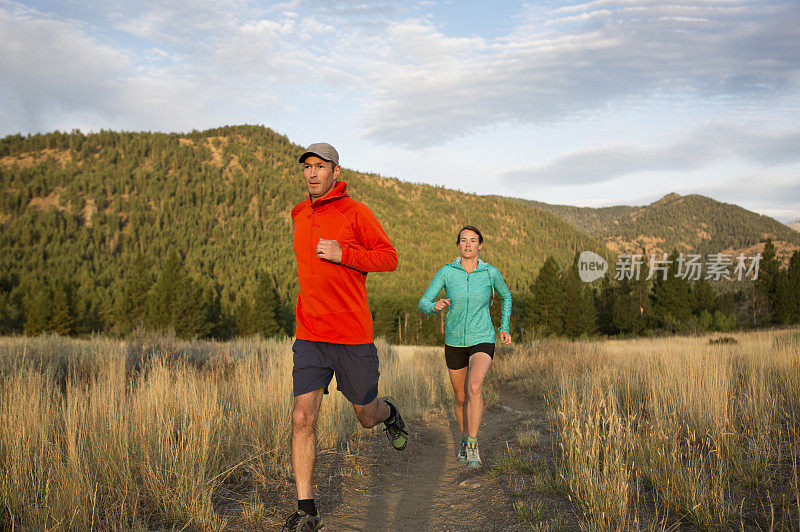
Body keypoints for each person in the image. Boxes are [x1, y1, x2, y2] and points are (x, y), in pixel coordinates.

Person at [283, 143, 408, 531]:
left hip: (352, 336)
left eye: (321, 166)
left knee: (366, 418)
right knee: (302, 417)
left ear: (336, 171)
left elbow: (389, 257)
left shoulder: (357, 212)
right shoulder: (298, 213)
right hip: (310, 334)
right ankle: (307, 510)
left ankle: (388, 412)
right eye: (308, 167)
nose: (313, 173)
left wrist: (345, 253)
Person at [418, 226, 511, 468]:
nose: (468, 244)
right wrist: (434, 306)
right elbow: (423, 301)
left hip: (482, 338)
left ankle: (472, 444)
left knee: (474, 386)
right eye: (463, 240)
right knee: (460, 398)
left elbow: (506, 296)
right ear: (458, 245)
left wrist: (503, 327)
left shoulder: (491, 273)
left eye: (473, 241)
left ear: (480, 246)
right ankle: (463, 438)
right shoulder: (447, 273)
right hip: (455, 341)